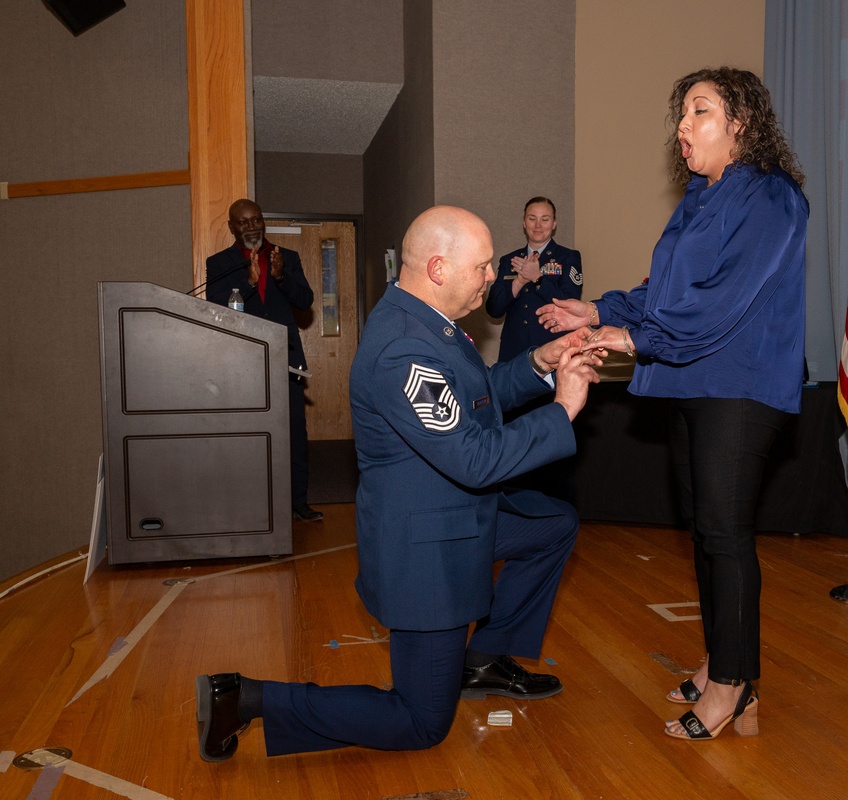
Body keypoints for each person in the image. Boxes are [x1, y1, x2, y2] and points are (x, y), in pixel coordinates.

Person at [196, 205, 602, 761]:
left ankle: (481, 657)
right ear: (438, 268)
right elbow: (477, 459)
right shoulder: (402, 348)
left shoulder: (428, 321)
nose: (493, 277)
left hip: (454, 514)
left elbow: (477, 393)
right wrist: (563, 409)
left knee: (554, 524)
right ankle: (245, 698)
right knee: (420, 722)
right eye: (483, 267)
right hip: (426, 550)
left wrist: (538, 361)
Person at [538, 67, 808, 741]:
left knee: (725, 533)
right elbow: (664, 291)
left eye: (700, 112)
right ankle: (721, 658)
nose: (683, 127)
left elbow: (717, 305)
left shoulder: (772, 198)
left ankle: (735, 685)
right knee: (706, 530)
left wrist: (630, 335)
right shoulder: (700, 197)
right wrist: (600, 307)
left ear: (741, 125)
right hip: (693, 381)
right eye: (682, 114)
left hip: (739, 386)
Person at [206, 199, 324, 523]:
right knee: (249, 433)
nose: (252, 226)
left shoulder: (287, 257)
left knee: (294, 433)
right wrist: (246, 284)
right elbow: (216, 310)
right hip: (242, 360)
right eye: (243, 222)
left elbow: (306, 301)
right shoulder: (220, 264)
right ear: (232, 227)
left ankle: (298, 502)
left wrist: (281, 277)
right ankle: (251, 504)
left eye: (256, 219)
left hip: (285, 356)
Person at [485, 197, 583, 363]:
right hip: (514, 351)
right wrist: (519, 282)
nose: (538, 226)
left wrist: (538, 278)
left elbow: (570, 303)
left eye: (545, 220)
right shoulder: (510, 260)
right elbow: (494, 309)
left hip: (552, 349)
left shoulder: (568, 257)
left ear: (554, 224)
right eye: (532, 219)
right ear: (524, 223)